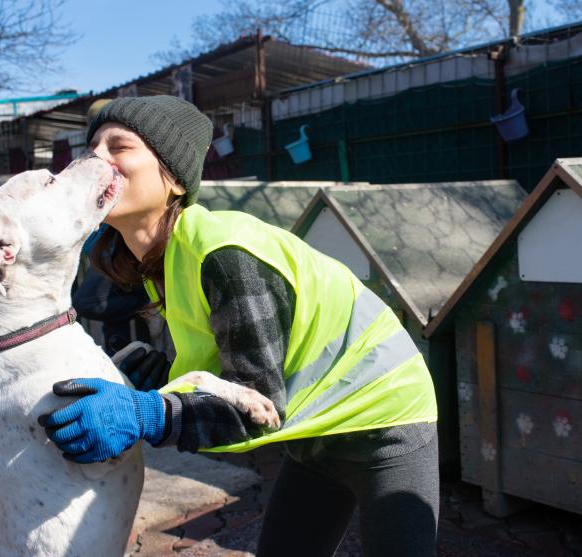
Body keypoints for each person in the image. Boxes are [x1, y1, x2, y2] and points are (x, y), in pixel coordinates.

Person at [39, 95, 440, 556]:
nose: (96, 160)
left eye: (119, 147)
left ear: (172, 178)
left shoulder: (224, 254)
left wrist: (150, 414)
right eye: (92, 149)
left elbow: (254, 408)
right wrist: (170, 381)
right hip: (316, 431)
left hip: (385, 420)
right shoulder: (159, 259)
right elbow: (231, 370)